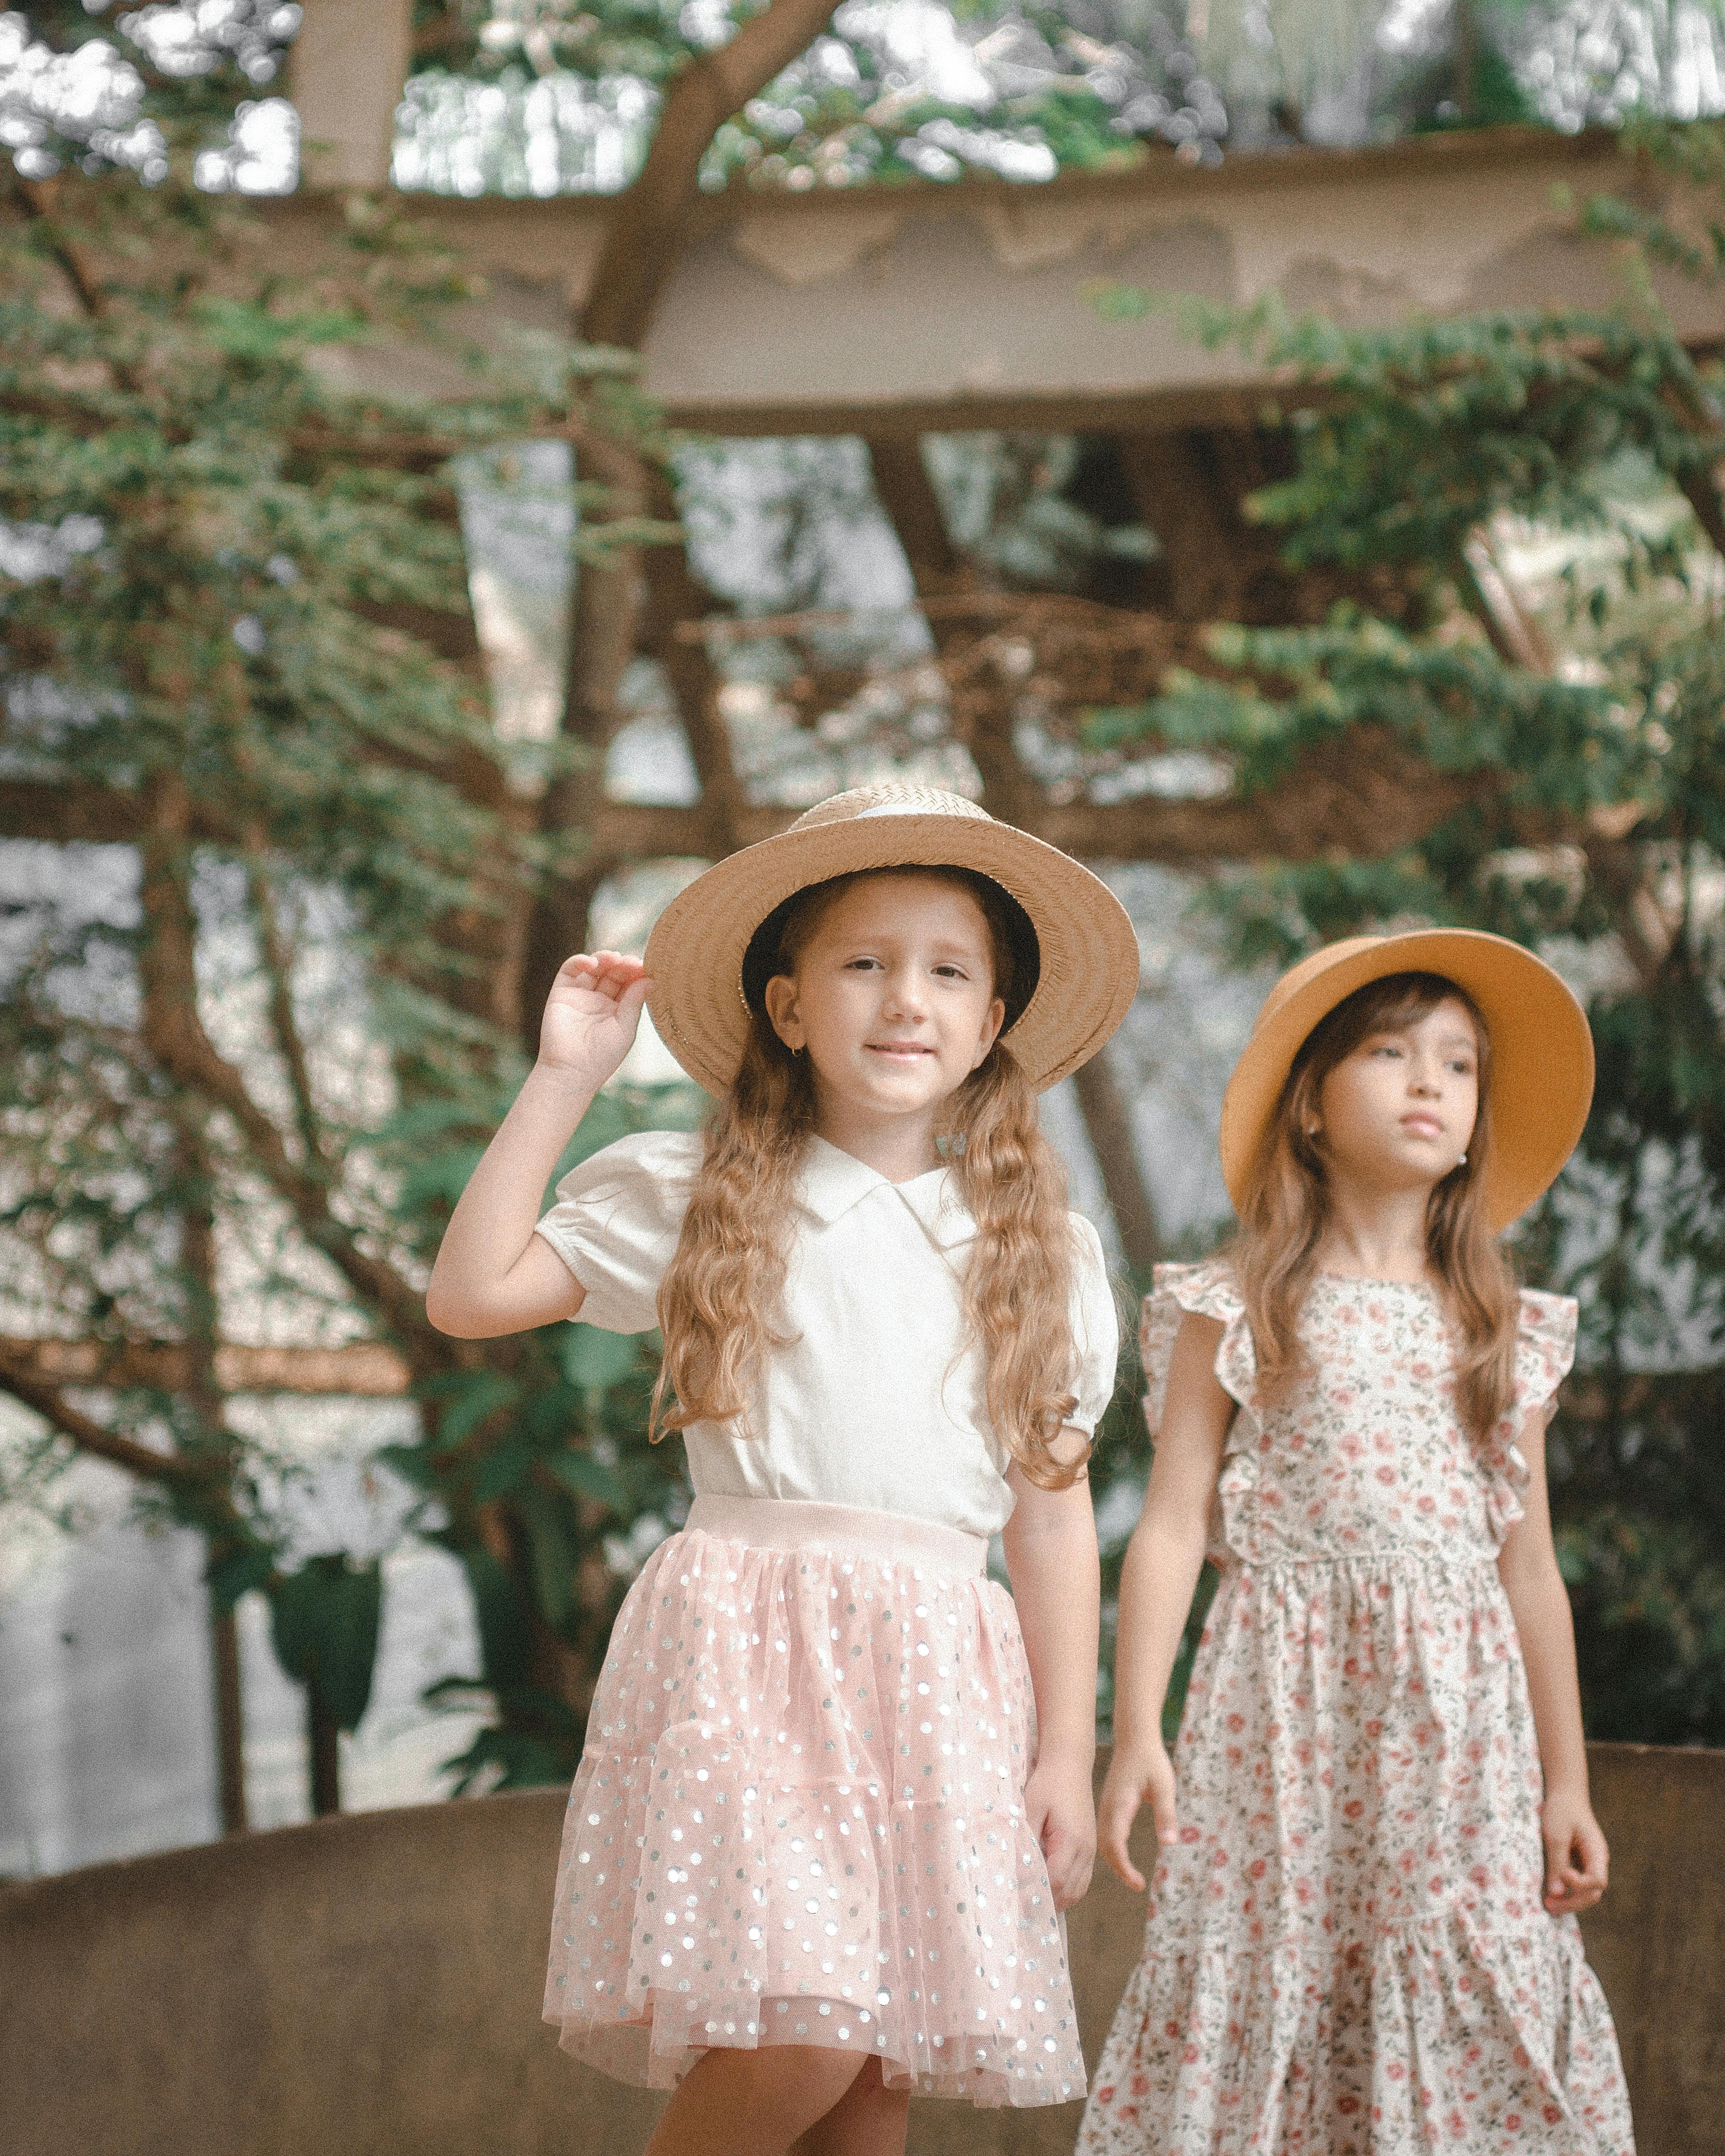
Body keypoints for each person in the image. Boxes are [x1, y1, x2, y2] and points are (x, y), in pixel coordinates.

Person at [427, 781, 1140, 2156]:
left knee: (874, 2074)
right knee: (806, 2026)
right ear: (788, 1003)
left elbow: (1050, 1522)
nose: (905, 1000)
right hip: (755, 1651)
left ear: (992, 1023)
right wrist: (566, 1075)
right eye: (864, 963)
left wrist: (1066, 1740)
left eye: (947, 972)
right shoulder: (705, 1191)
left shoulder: (1038, 1247)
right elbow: (473, 1293)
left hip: (936, 1671)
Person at [1079, 930, 1635, 2156]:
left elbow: (1529, 1572)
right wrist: (1135, 1733)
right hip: (1278, 1721)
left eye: (1457, 1064)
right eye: (1390, 1053)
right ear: (1315, 1110)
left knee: (1462, 1969)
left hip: (1457, 1733)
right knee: (1278, 1972)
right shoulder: (1235, 1306)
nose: (1430, 1082)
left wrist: (1567, 1780)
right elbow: (1170, 1528)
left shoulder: (1502, 1327)